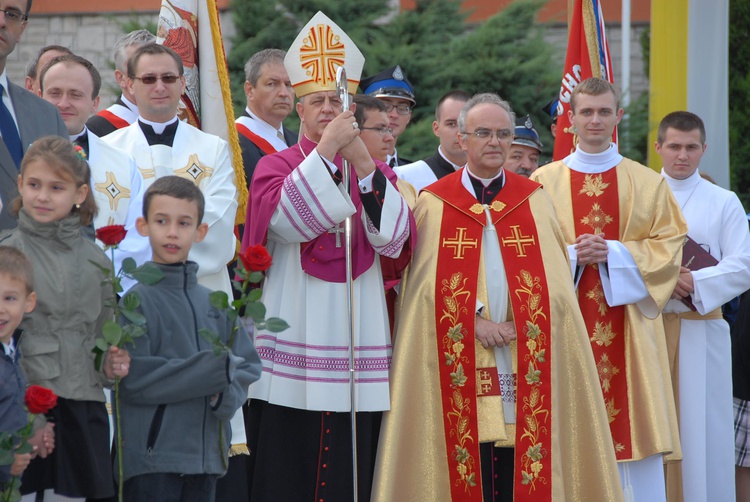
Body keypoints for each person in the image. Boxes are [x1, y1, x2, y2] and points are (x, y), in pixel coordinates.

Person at [372, 92, 622, 502]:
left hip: (523, 350)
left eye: (503, 134)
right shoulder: (434, 202)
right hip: (457, 350)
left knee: (519, 461)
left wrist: (518, 323)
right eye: (483, 133)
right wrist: (473, 321)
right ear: (462, 138)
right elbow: (419, 288)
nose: (494, 142)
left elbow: (558, 288)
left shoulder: (535, 199)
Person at [243, 12, 414, 501]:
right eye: (317, 101)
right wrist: (323, 156)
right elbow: (285, 223)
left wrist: (361, 161)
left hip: (357, 327)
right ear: (298, 108)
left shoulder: (373, 168)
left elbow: (396, 241)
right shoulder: (276, 166)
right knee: (286, 450)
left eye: (337, 101)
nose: (327, 109)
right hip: (294, 318)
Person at [531, 77, 687, 501]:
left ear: (618, 117)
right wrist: (571, 255)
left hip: (631, 330)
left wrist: (615, 254)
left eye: (604, 111)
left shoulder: (647, 182)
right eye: (587, 112)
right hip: (567, 326)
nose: (596, 120)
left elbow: (669, 249)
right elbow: (527, 255)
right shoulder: (542, 182)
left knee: (635, 431)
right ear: (571, 119)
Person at [0, 136, 130, 501]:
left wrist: (113, 364)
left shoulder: (97, 260)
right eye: (34, 185)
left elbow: (106, 334)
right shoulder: (8, 254)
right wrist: (29, 420)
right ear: (21, 184)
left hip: (84, 408)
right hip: (23, 406)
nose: (42, 196)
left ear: (79, 193)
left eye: (56, 187)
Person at [117, 176, 261, 502]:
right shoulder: (135, 301)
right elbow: (136, 379)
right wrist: (212, 372)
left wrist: (220, 397)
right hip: (153, 461)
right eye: (161, 221)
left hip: (207, 458)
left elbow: (247, 366)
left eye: (184, 223)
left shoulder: (215, 303)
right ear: (143, 226)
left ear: (200, 232)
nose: (172, 232)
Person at [655, 111, 750, 502]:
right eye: (674, 146)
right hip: (650, 328)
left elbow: (743, 264)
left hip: (702, 328)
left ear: (703, 149)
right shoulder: (639, 194)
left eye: (691, 147)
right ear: (658, 148)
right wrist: (662, 280)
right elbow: (621, 256)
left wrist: (692, 282)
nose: (682, 155)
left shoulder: (723, 201)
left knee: (702, 430)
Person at [104, 43, 237, 295]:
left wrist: (154, 257)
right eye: (148, 79)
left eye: (168, 78)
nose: (159, 86)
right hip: (129, 289)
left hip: (201, 288)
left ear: (183, 83)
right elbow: (105, 219)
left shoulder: (213, 149)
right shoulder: (108, 150)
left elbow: (219, 220)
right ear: (130, 84)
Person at [39, 54, 143, 236]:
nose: (63, 103)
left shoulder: (124, 164)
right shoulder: (19, 152)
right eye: (55, 93)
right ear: (39, 96)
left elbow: (137, 232)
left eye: (75, 95)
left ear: (95, 103)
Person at [0, 0, 67, 230]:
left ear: (22, 28)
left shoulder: (46, 114)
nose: (1, 22)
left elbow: (70, 206)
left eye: (11, 14)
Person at [0, 246, 55, 493]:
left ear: (29, 302)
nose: (0, 308)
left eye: (9, 298)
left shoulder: (12, 354)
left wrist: (34, 433)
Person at [236, 48, 297, 186]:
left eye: (289, 85)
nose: (284, 93)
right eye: (272, 84)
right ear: (249, 90)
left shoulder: (297, 140)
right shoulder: (233, 142)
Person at [394, 90, 470, 192]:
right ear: (436, 128)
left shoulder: (492, 178)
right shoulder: (405, 177)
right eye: (451, 124)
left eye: (466, 124)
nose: (460, 132)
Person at [86, 29, 156, 137]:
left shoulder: (181, 122)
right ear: (121, 78)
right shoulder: (96, 130)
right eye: (138, 65)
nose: (151, 74)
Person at [360, 64, 415, 167]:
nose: (394, 115)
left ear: (409, 117)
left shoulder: (414, 173)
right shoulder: (346, 169)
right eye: (385, 106)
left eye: (402, 108)